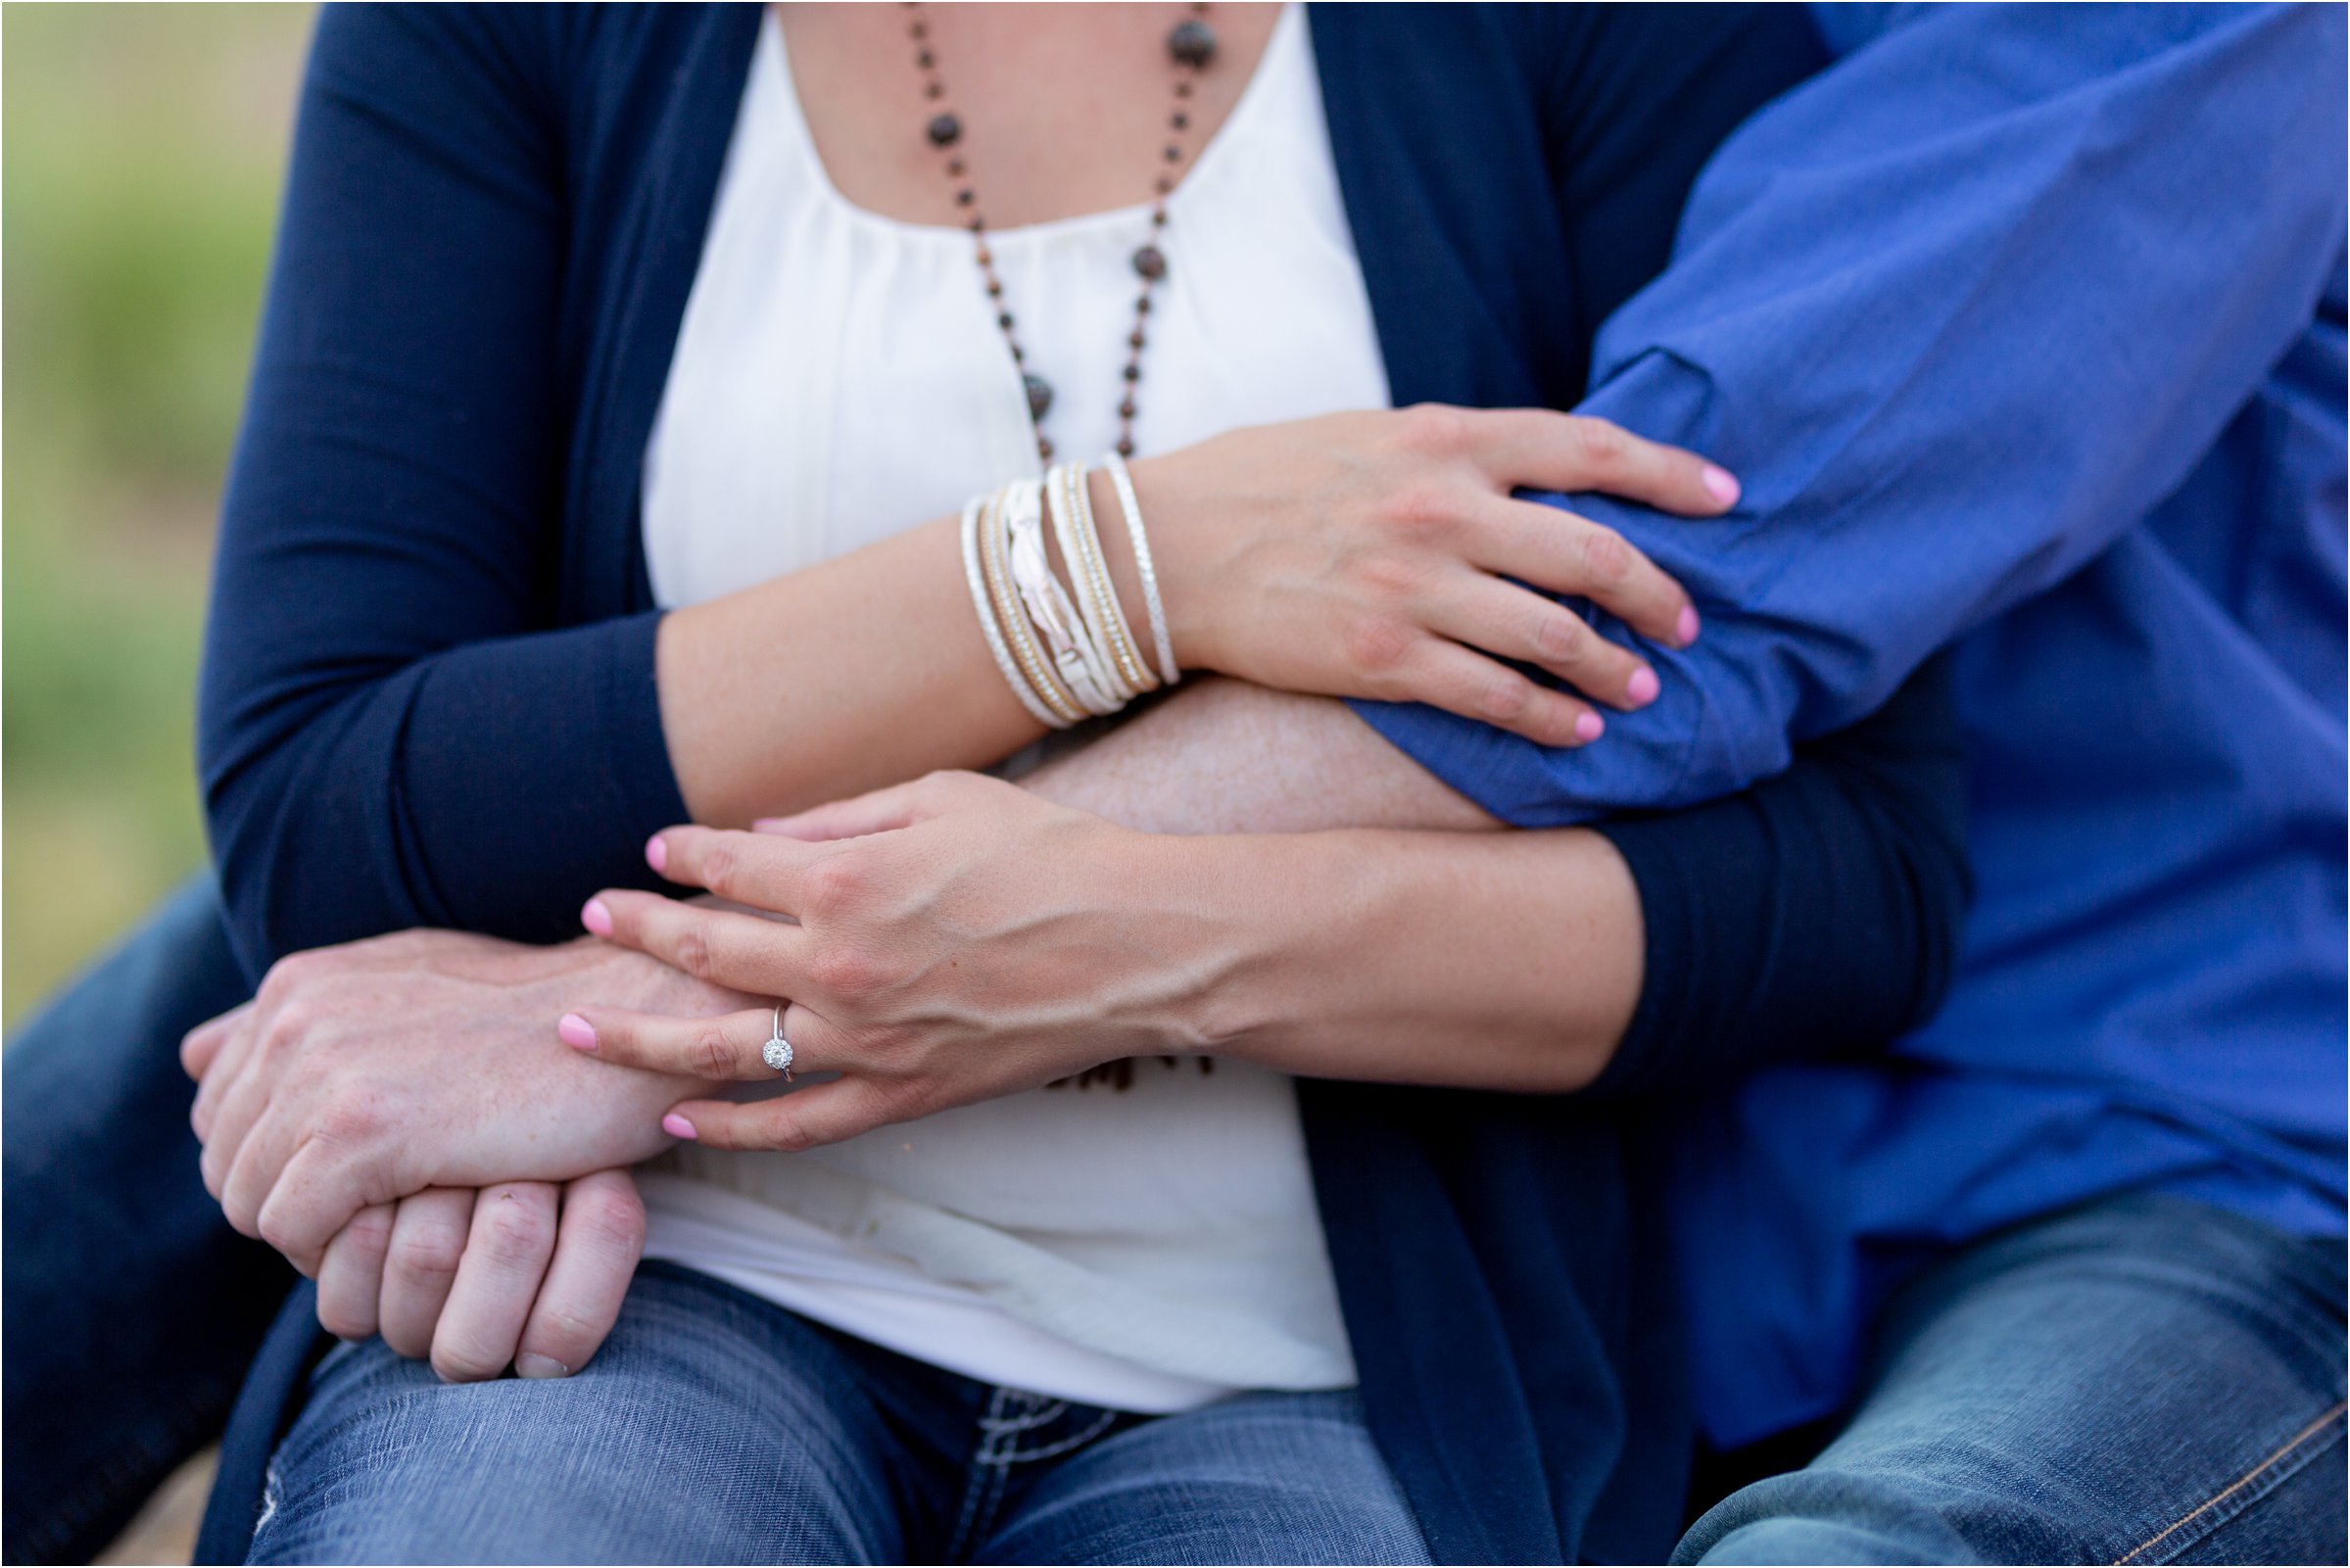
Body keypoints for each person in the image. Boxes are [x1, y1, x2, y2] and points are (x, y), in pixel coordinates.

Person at [24, 6, 1968, 1565]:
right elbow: (327, 803)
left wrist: (1125, 947)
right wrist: (1137, 564)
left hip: (1328, 1382)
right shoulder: (514, 30)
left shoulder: (1597, 32)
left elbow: (1849, 873)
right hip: (667, 1283)